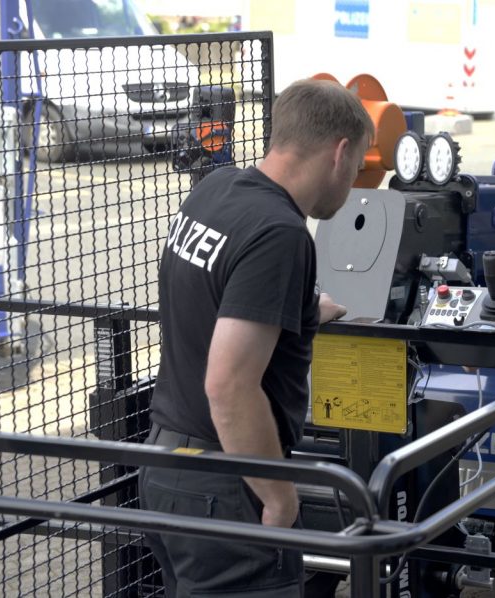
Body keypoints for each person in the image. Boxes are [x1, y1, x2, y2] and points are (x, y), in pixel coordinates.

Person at [138, 78, 373, 597]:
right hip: (226, 485)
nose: (354, 180)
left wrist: (304, 311)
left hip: (167, 464)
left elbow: (222, 295)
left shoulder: (216, 190)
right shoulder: (281, 233)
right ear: (339, 153)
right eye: (357, 165)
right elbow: (229, 385)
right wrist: (279, 497)